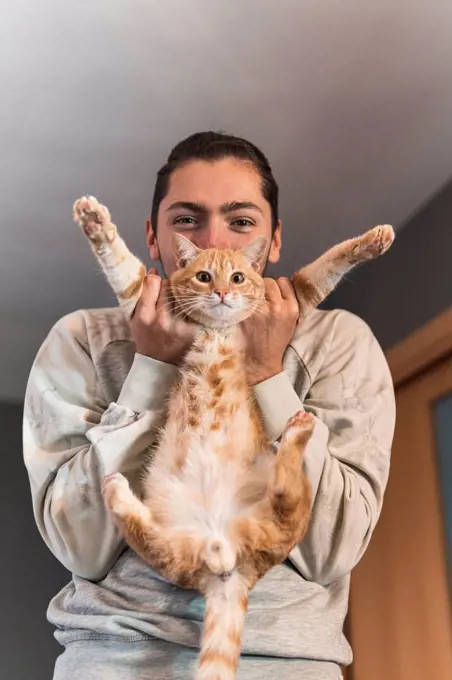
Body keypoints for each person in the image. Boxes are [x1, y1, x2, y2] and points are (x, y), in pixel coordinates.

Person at [23, 131, 396, 680]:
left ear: (271, 242)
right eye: (187, 219)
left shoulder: (337, 340)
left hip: (289, 664)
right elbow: (80, 548)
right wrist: (154, 367)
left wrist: (268, 374)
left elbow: (331, 551)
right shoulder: (81, 338)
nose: (217, 240)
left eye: (241, 222)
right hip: (112, 659)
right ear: (154, 237)